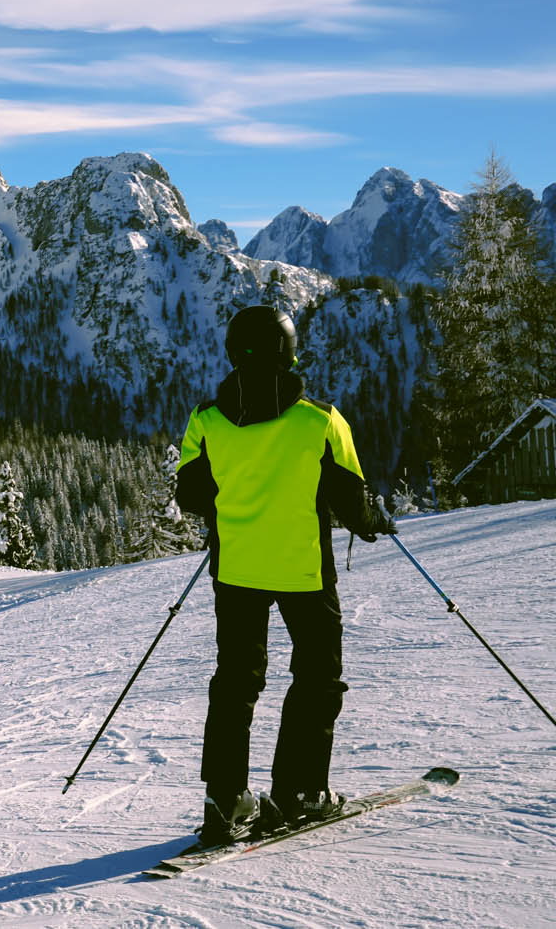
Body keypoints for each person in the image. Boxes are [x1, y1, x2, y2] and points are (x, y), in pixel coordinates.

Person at [175, 305, 393, 844]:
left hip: (238, 570)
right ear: (290, 353)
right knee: (318, 677)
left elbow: (192, 494)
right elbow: (352, 501)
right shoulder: (321, 420)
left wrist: (237, 503)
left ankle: (225, 803)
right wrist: (374, 522)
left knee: (235, 684)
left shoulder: (206, 420)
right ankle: (300, 792)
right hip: (303, 573)